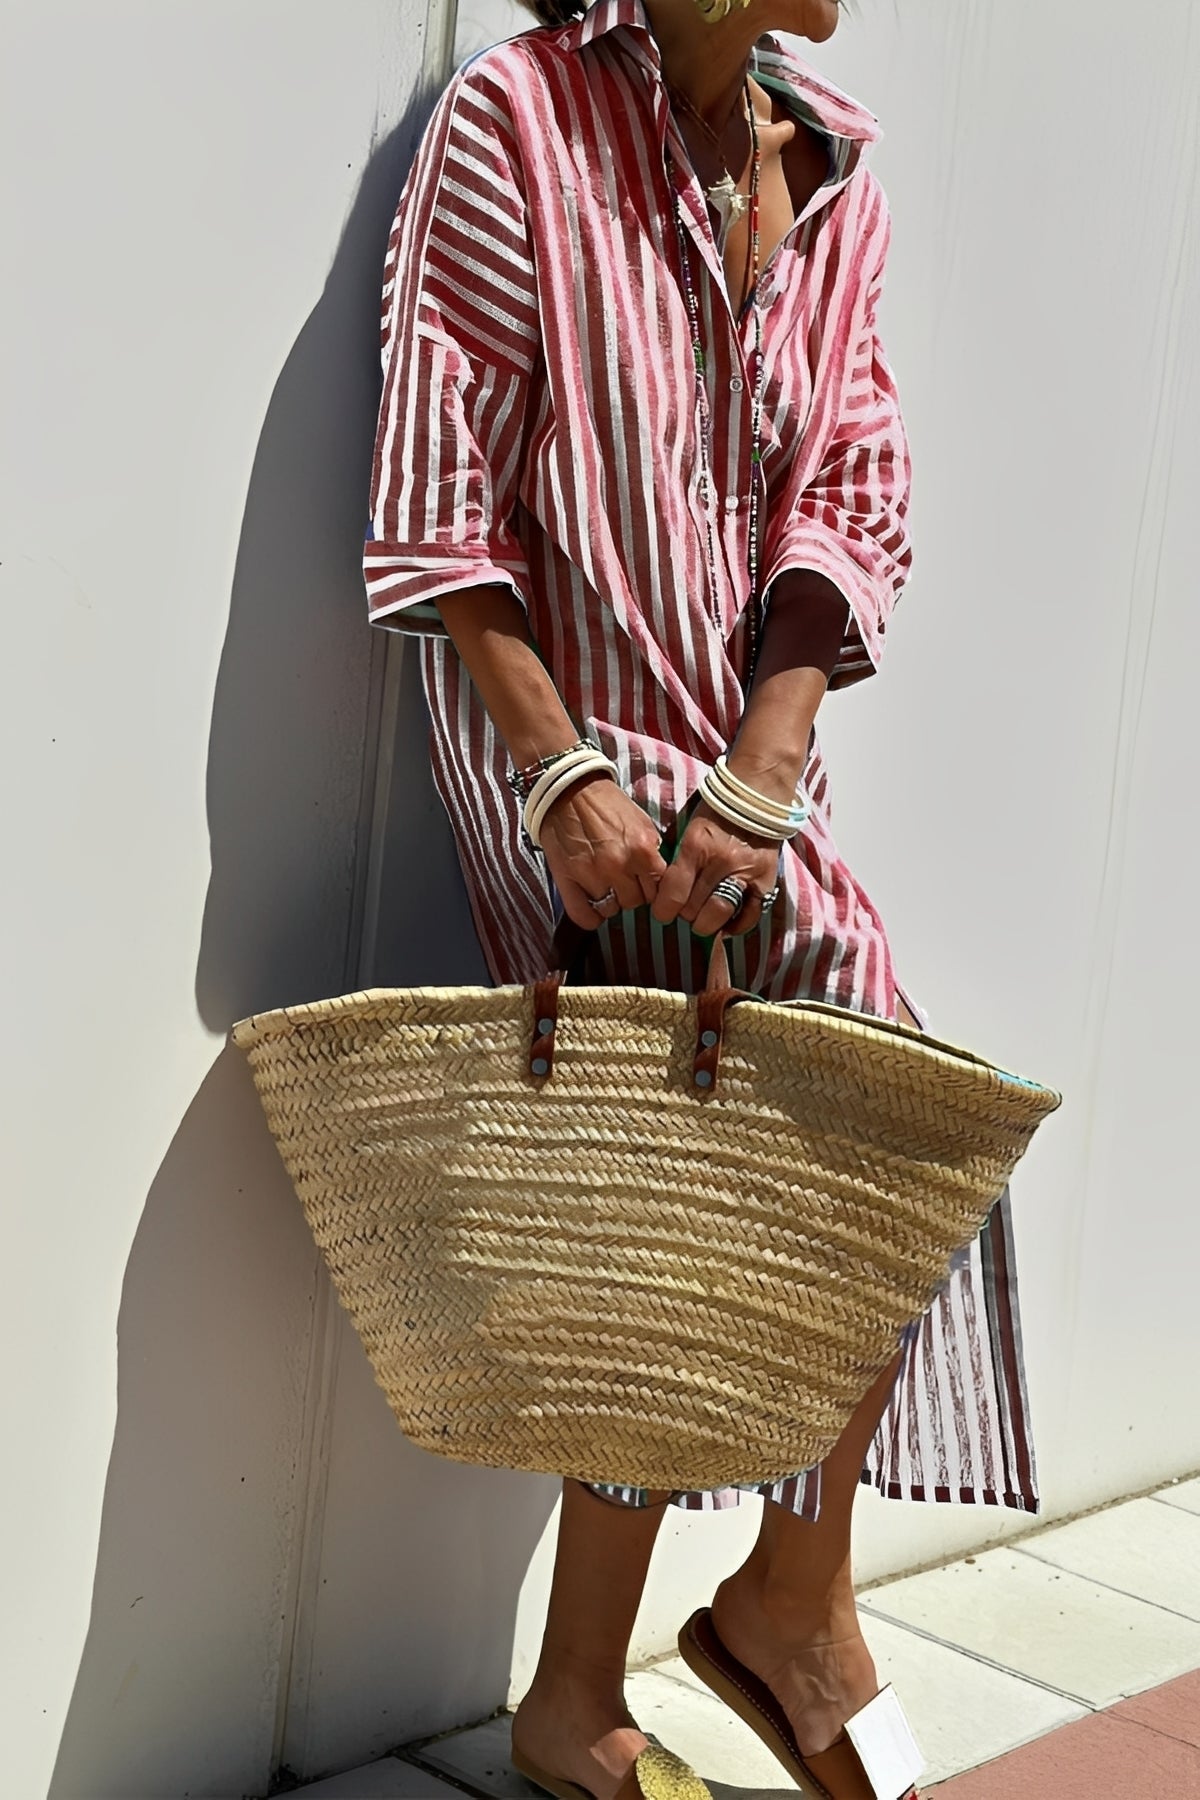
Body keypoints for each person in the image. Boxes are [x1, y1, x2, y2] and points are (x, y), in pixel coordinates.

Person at [364, 0, 1038, 1793]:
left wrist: (771, 749)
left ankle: (673, 1649)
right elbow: (440, 496)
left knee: (790, 1151)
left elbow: (853, 484)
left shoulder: (833, 167)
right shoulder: (520, 120)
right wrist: (559, 775)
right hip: (577, 764)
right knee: (744, 1138)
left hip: (743, 770)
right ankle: (750, 1626)